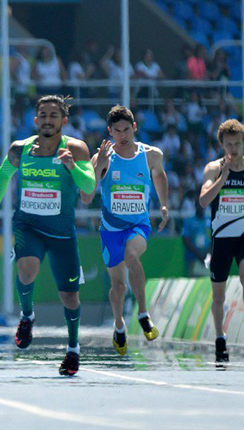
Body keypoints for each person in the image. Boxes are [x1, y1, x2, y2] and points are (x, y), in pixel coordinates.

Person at [0, 95, 96, 376]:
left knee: (70, 298)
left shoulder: (76, 149)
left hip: (61, 233)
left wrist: (71, 165)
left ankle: (72, 350)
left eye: (53, 115)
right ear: (35, 120)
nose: (48, 120)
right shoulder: (20, 149)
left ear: (64, 121)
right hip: (28, 226)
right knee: (26, 268)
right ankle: (26, 316)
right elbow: (2, 175)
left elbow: (89, 189)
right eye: (43, 115)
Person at [80, 106, 169, 355]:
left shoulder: (151, 155)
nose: (122, 135)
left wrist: (164, 204)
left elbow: (160, 176)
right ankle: (119, 325)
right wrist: (99, 167)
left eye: (126, 130)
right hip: (110, 230)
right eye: (117, 131)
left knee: (132, 255)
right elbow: (86, 197)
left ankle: (142, 313)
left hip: (138, 225)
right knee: (118, 287)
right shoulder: (101, 159)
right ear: (109, 132)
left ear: (135, 128)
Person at [198, 119, 244, 363]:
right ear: (222, 144)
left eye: (237, 144)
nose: (233, 149)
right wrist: (223, 178)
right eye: (228, 145)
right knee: (219, 296)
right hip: (221, 240)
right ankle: (220, 339)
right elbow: (203, 201)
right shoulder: (213, 169)